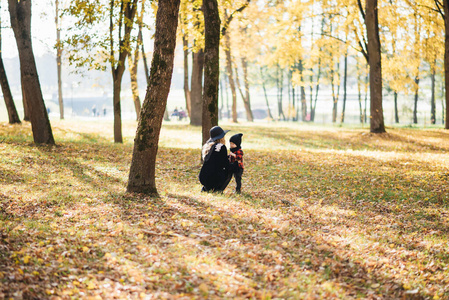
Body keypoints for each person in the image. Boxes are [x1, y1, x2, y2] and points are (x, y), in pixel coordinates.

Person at [199, 126, 233, 192]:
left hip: (203, 177)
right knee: (232, 169)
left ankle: (206, 188)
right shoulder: (222, 147)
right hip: (214, 179)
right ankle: (218, 189)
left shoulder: (208, 146)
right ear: (221, 137)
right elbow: (225, 165)